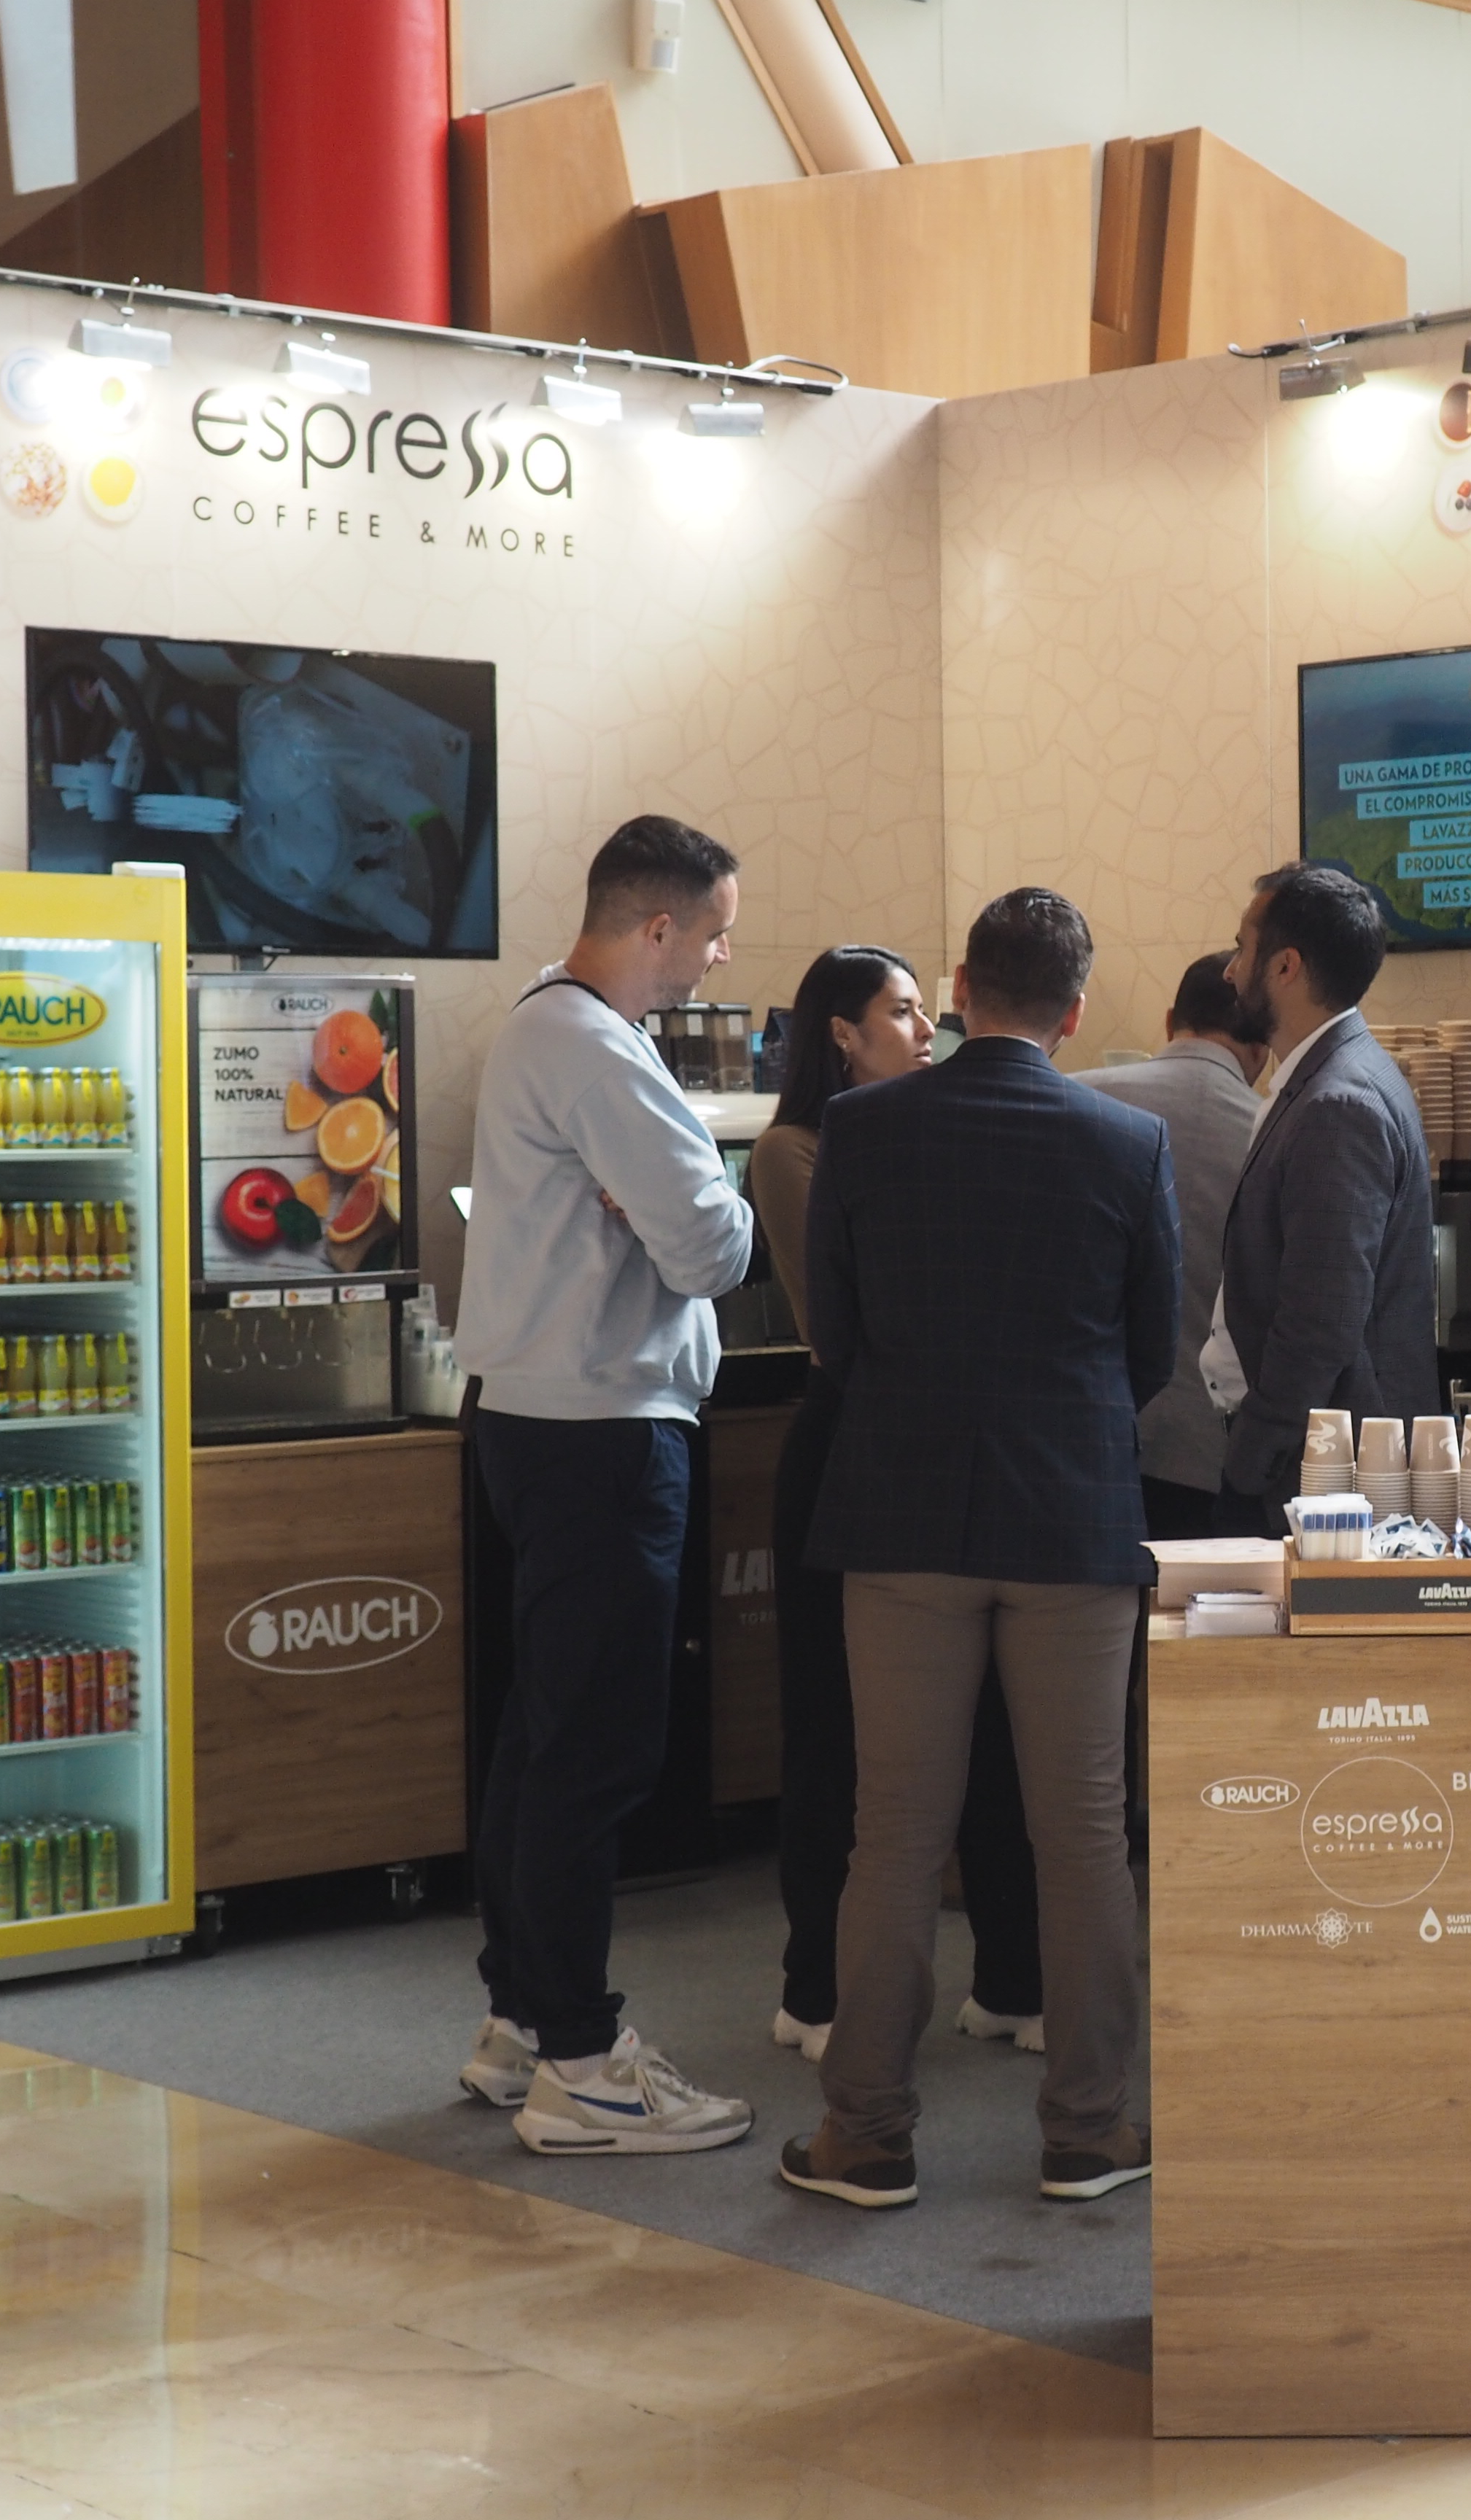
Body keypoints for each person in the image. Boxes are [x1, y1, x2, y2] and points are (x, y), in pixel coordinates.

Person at [780, 887, 1177, 2210]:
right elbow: (1151, 1349)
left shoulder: (862, 1128)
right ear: (1076, 1009)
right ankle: (1088, 2130)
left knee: (893, 1833)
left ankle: (866, 2133)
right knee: (1084, 1834)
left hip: (900, 1514)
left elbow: (836, 1333)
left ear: (957, 989)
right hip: (1072, 1517)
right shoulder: (1128, 1142)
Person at [454, 814, 757, 2156]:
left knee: (541, 1734)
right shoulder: (595, 1048)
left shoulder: (546, 1023)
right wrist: (708, 1207)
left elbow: (669, 1220)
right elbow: (713, 1250)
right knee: (595, 1750)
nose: (717, 959)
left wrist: (671, 1205)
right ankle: (584, 2063)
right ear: (658, 926)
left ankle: (523, 2019)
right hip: (606, 1431)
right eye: (713, 934)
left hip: (531, 1421)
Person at [748, 946, 1047, 2068]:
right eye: (904, 1012)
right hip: (848, 1443)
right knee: (834, 1727)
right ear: (842, 1032)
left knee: (989, 1725)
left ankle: (1011, 1978)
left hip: (945, 1446)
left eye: (931, 1011)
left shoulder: (926, 1129)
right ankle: (816, 1987)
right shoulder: (794, 1149)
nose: (928, 1032)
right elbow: (851, 1320)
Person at [1207, 866, 1438, 1536]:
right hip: (1320, 1466)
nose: (1230, 971)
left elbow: (1322, 1320)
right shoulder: (1335, 1075)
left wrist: (1253, 1456)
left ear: (1285, 967)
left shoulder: (1338, 1102)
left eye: (1242, 949)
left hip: (1322, 1479)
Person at [1081, 949, 1266, 1540]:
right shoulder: (1276, 1132)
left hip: (1084, 1445)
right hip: (1212, 1455)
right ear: (1261, 1047)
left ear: (1169, 1021)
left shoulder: (1075, 1102)